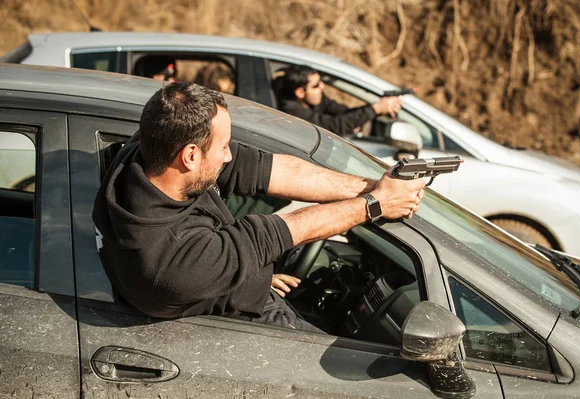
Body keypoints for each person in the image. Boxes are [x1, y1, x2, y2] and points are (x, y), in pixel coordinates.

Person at [92, 82, 425, 333]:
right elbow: (283, 231)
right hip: (245, 328)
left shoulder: (149, 151)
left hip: (239, 287)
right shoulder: (168, 260)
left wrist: (375, 187)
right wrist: (375, 205)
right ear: (190, 156)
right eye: (223, 147)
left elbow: (272, 170)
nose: (229, 155)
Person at [277, 66, 403, 138]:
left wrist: (378, 109)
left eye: (321, 82)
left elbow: (343, 112)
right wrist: (375, 109)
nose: (322, 87)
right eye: (316, 86)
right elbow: (332, 126)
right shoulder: (291, 110)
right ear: (300, 92)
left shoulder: (313, 98)